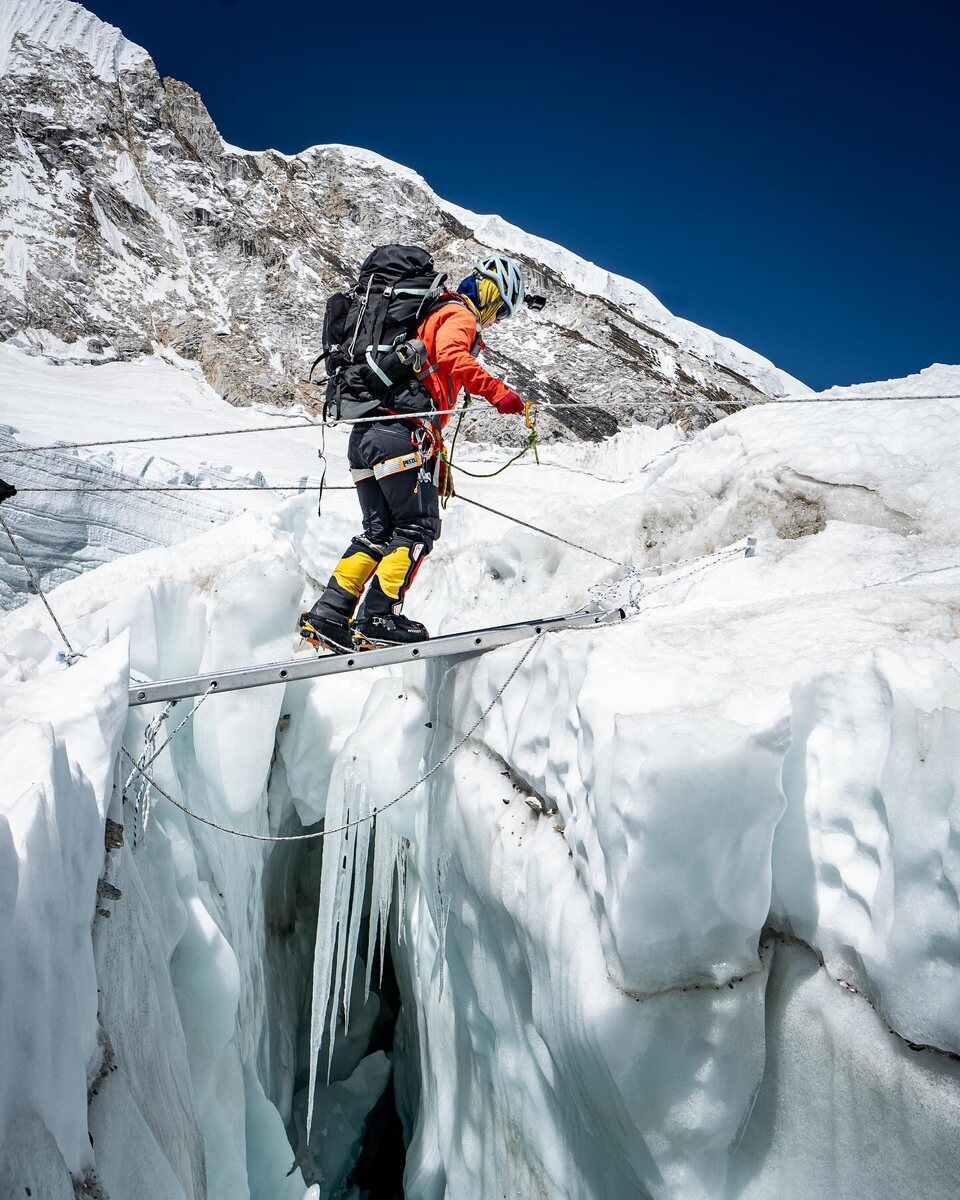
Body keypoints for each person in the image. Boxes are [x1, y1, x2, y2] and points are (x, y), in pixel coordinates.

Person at [300, 254, 528, 651]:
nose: (497, 321)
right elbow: (452, 357)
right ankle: (378, 617)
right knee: (417, 529)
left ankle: (330, 614)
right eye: (502, 312)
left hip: (365, 436)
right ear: (493, 296)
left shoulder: (426, 315)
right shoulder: (459, 316)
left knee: (379, 532)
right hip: (402, 434)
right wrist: (500, 393)